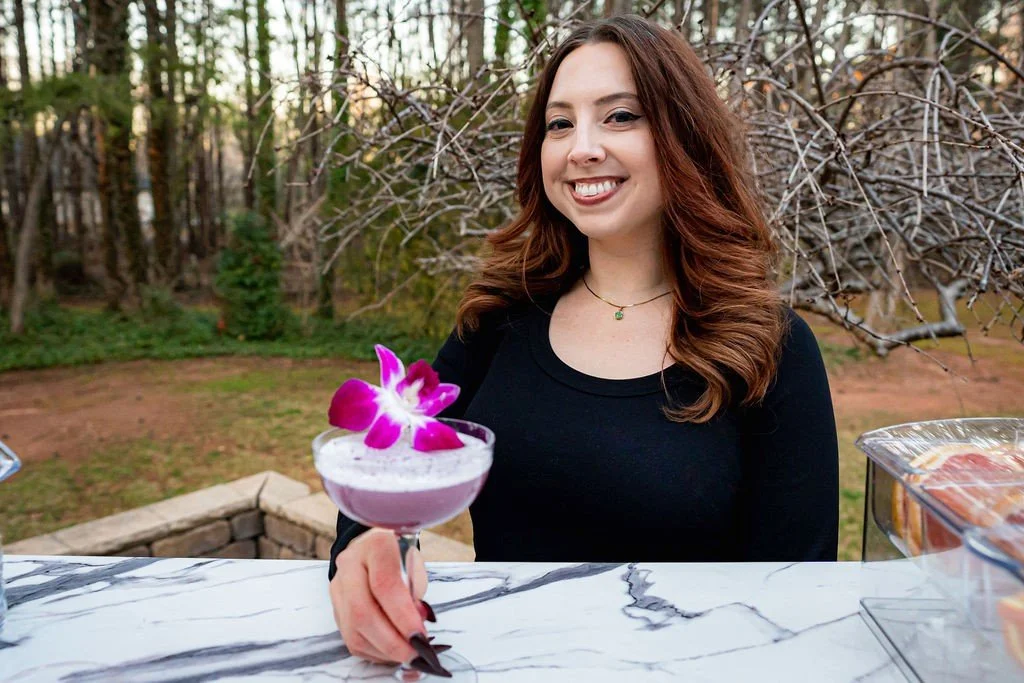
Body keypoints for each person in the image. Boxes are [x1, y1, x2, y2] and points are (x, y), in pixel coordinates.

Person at [327, 14, 839, 666]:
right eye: (559, 123)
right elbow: (388, 456)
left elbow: (798, 602)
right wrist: (365, 544)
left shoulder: (772, 347)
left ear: (683, 134)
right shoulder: (497, 320)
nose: (581, 147)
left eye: (620, 116)